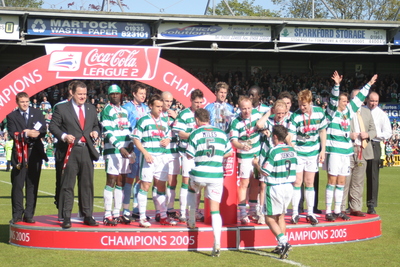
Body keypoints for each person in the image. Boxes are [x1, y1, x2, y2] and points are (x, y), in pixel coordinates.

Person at [324, 72, 377, 222]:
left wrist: (369, 84)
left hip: (346, 152)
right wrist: (336, 85)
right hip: (334, 151)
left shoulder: (349, 111)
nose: (345, 103)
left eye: (347, 101)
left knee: (341, 182)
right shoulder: (332, 112)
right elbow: (334, 99)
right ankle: (328, 210)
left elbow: (359, 98)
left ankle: (337, 210)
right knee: (332, 180)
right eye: (343, 101)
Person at [49, 81, 100, 228]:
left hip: (87, 151)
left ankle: (87, 215)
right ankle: (66, 216)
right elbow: (53, 126)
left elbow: (96, 125)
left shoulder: (91, 108)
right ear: (72, 93)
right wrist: (64, 136)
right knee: (67, 185)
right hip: (69, 151)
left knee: (87, 185)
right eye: (80, 94)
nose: (83, 97)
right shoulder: (61, 108)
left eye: (85, 94)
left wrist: (96, 131)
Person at [186, 108, 232, 257]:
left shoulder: (195, 133)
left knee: (191, 187)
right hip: (216, 174)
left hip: (200, 173)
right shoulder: (221, 133)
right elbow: (229, 152)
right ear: (210, 119)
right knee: (214, 210)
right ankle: (217, 242)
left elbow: (189, 155)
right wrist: (218, 156)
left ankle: (192, 219)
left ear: (197, 120)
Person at [133, 94, 176, 227]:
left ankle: (163, 216)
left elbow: (169, 135)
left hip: (162, 157)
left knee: (161, 187)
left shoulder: (164, 120)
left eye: (161, 107)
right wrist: (145, 153)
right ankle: (142, 218)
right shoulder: (143, 120)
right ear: (150, 106)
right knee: (145, 186)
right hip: (149, 157)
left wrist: (168, 139)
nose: (160, 109)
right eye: (157, 106)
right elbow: (135, 138)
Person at [7, 92, 47, 224]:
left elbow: (43, 129)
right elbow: (13, 133)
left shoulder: (37, 113)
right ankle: (17, 214)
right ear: (17, 102)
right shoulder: (12, 116)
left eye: (26, 101)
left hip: (35, 154)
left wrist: (36, 133)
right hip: (19, 155)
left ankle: (29, 214)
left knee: (32, 185)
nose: (25, 104)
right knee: (17, 185)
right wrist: (26, 133)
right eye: (22, 102)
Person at [289, 89, 327, 225]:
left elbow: (322, 131)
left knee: (309, 183)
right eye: (299, 105)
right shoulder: (295, 116)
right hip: (299, 153)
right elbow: (291, 137)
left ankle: (310, 213)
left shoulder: (319, 112)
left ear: (310, 102)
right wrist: (293, 151)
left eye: (304, 105)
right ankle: (295, 213)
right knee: (297, 182)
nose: (301, 107)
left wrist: (323, 150)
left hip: (312, 153)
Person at [259, 125, 296, 259]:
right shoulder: (292, 150)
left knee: (269, 218)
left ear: (275, 136)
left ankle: (283, 242)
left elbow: (265, 171)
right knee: (280, 216)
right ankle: (281, 245)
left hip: (275, 186)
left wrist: (256, 164)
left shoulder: (274, 151)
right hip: (288, 186)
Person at [100, 85, 134, 226]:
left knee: (121, 182)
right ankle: (107, 214)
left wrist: (131, 142)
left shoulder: (124, 111)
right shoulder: (106, 110)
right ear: (108, 96)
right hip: (113, 150)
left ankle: (116, 212)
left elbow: (127, 129)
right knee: (111, 180)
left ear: (121, 95)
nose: (114, 96)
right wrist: (120, 147)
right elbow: (108, 131)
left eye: (117, 94)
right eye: (112, 94)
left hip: (125, 151)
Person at [341, 89, 376, 217]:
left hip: (363, 149)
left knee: (358, 181)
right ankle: (341, 207)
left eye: (360, 98)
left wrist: (368, 134)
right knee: (345, 180)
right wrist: (349, 135)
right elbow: (339, 128)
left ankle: (355, 208)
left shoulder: (367, 112)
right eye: (355, 98)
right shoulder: (344, 112)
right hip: (348, 149)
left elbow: (373, 130)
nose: (358, 100)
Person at [172, 89, 205, 222]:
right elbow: (179, 133)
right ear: (191, 101)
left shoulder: (203, 115)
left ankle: (195, 211)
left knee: (198, 183)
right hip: (187, 152)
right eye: (196, 102)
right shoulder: (184, 114)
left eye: (200, 102)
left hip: (200, 154)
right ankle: (183, 212)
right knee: (186, 182)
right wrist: (194, 135)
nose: (198, 105)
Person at [230, 96, 262, 224]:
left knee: (255, 183)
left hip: (256, 155)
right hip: (243, 155)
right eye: (244, 109)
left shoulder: (257, 115)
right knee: (244, 183)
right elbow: (233, 141)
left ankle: (253, 211)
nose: (246, 111)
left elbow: (264, 121)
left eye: (248, 108)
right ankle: (243, 212)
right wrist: (242, 146)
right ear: (239, 108)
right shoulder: (235, 121)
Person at [122, 82, 150, 220]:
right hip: (131, 146)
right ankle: (126, 209)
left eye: (145, 94)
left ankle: (137, 208)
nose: (143, 96)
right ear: (134, 94)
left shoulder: (146, 108)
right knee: (129, 179)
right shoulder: (126, 108)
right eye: (141, 94)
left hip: (143, 147)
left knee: (140, 179)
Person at [365, 91, 392, 214]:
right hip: (360, 143)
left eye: (376, 101)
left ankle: (371, 204)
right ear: (367, 100)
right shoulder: (360, 111)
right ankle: (352, 204)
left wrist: (376, 134)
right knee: (356, 175)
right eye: (371, 101)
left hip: (374, 144)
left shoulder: (382, 115)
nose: (373, 103)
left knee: (373, 175)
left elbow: (388, 133)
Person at [161, 91, 181, 220]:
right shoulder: (157, 115)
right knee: (161, 181)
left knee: (173, 181)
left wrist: (177, 117)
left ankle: (170, 207)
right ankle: (161, 209)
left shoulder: (174, 115)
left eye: (170, 101)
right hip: (162, 152)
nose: (168, 104)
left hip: (174, 151)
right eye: (166, 101)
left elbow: (181, 131)